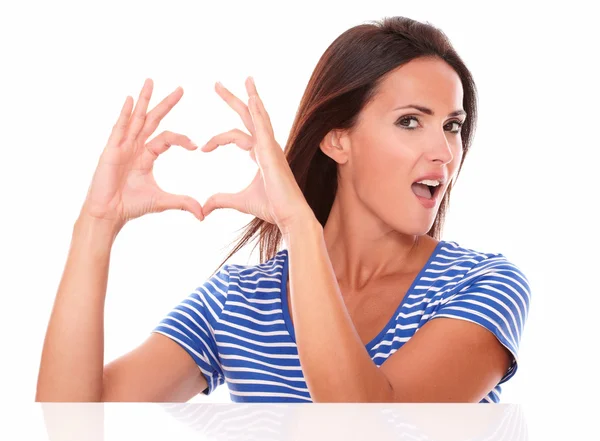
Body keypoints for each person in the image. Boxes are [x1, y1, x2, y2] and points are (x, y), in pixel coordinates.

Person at [35, 16, 531, 403]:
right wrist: (95, 225)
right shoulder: (239, 302)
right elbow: (72, 421)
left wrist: (300, 227)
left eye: (451, 125)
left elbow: (370, 424)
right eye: (409, 122)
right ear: (338, 139)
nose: (445, 152)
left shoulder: (483, 285)